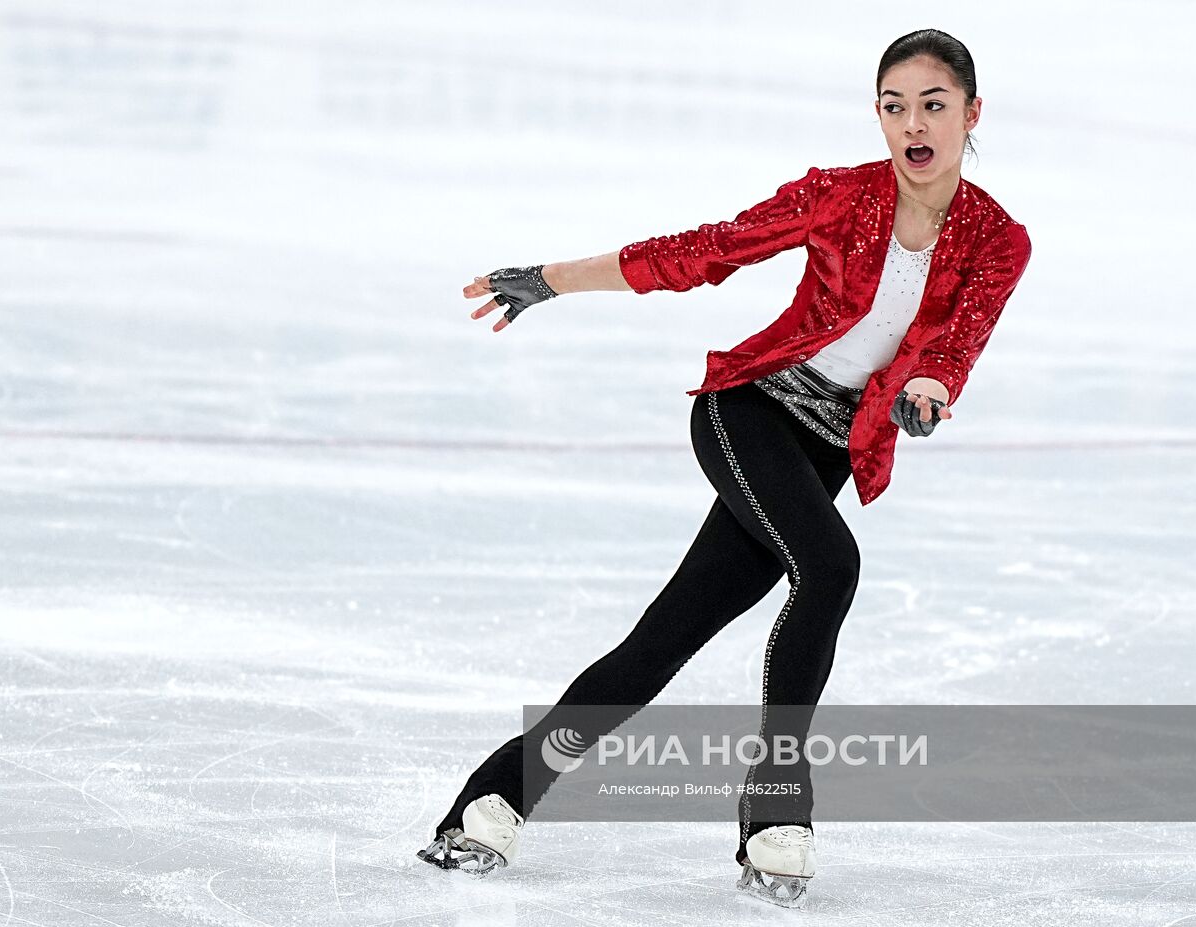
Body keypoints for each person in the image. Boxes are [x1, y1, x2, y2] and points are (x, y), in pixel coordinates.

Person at [416, 28, 1032, 908]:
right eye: (894, 106)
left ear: (972, 114)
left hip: (821, 453)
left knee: (662, 640)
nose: (913, 124)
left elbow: (955, 341)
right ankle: (777, 803)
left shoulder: (997, 240)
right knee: (831, 566)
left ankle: (494, 797)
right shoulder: (837, 197)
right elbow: (705, 251)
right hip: (748, 412)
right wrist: (554, 279)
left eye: (933, 105)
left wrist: (929, 387)